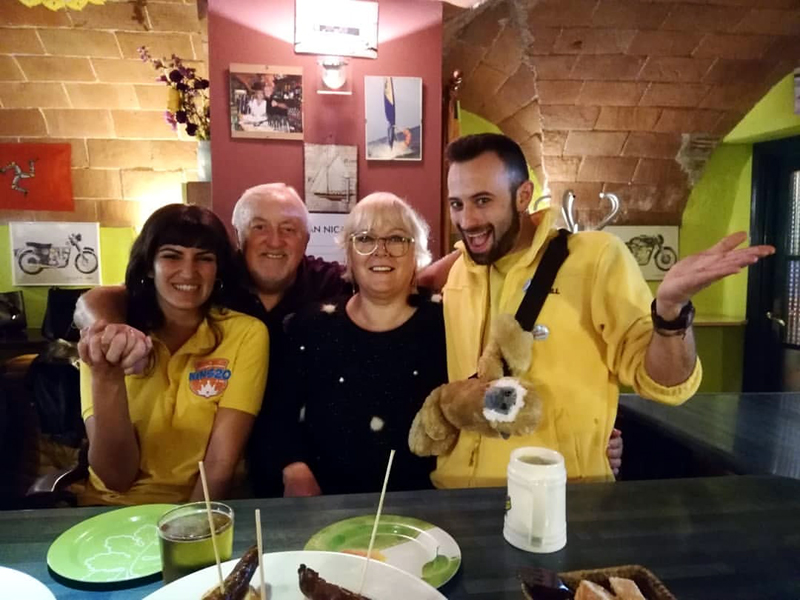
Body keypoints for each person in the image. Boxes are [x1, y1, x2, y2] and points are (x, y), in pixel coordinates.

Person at [434, 133, 775, 487]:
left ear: (523, 196)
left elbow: (664, 383)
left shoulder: (595, 258)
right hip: (456, 494)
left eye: (483, 200)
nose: (468, 219)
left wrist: (671, 311)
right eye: (457, 204)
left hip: (562, 499)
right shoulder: (461, 272)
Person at [76, 204, 268, 505]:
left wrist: (189, 531)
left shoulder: (245, 333)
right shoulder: (108, 337)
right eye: (171, 255)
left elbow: (220, 465)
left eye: (204, 259)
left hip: (197, 508)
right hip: (108, 510)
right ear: (149, 266)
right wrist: (107, 375)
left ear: (218, 270)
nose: (188, 271)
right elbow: (115, 477)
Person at [275, 192, 445, 496]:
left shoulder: (447, 323)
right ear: (348, 255)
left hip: (426, 509)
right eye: (365, 239)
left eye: (397, 239)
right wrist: (294, 468)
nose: (381, 251)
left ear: (416, 253)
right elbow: (278, 416)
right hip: (325, 509)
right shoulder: (310, 326)